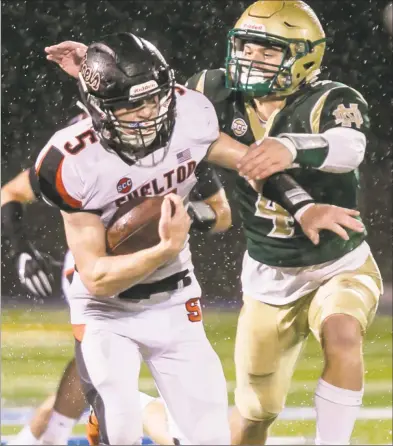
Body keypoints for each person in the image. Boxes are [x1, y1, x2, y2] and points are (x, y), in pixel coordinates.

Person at [43, 18, 371, 445]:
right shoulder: (71, 158)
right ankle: (117, 413)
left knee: (211, 438)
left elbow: (249, 165)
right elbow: (98, 277)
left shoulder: (187, 115)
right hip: (107, 309)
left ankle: (144, 410)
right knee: (119, 431)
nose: (148, 115)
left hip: (176, 300)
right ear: (99, 106)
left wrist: (303, 206)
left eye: (154, 100)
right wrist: (164, 247)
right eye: (130, 107)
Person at [1, 110, 232, 445]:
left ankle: (51, 432)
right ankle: (56, 431)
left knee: (115, 380)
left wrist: (182, 218)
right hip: (95, 273)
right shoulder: (80, 150)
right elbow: (12, 192)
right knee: (106, 373)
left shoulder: (177, 144)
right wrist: (20, 250)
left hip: (165, 281)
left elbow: (222, 213)